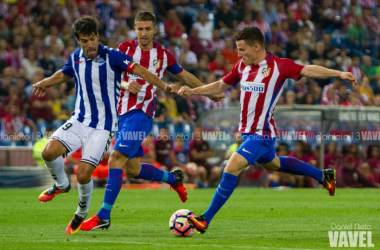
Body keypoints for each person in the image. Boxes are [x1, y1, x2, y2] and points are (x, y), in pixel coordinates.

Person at [177, 26, 358, 234]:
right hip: (248, 134)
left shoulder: (279, 66)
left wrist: (340, 74)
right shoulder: (241, 67)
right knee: (274, 165)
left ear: (256, 47)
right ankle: (323, 175)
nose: (239, 54)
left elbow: (309, 69)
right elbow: (220, 86)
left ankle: (205, 219)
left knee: (231, 167)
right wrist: (193, 91)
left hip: (261, 134)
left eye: (242, 49)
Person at [81, 12, 223, 231]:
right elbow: (110, 76)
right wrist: (126, 85)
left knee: (115, 159)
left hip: (141, 114)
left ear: (155, 29)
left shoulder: (163, 55)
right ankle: (172, 178)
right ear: (135, 29)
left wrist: (206, 92)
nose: (144, 33)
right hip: (123, 114)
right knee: (132, 170)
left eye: (148, 28)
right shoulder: (125, 48)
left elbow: (183, 76)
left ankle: (103, 216)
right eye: (140, 28)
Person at [33, 16, 171, 235]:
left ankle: (81, 211)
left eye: (92, 39)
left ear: (97, 36)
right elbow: (64, 73)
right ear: (78, 40)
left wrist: (163, 85)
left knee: (83, 174)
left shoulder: (113, 56)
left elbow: (141, 71)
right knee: (48, 152)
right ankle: (61, 185)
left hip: (104, 127)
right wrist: (45, 83)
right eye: (84, 40)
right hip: (79, 120)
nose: (89, 45)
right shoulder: (75, 57)